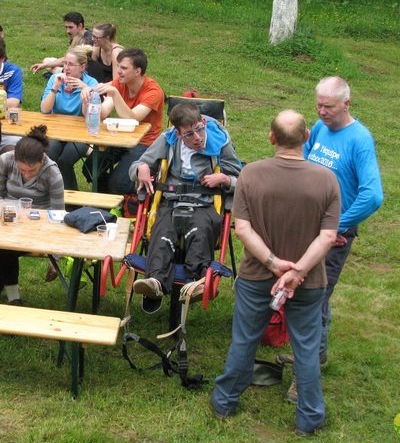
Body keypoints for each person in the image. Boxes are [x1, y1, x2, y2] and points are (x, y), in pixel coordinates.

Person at [211, 110, 341, 437]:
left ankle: (225, 402)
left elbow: (242, 229)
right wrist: (297, 271)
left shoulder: (251, 174)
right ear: (307, 137)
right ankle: (309, 418)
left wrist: (273, 263)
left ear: (271, 138)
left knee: (244, 340)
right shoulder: (327, 179)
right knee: (306, 349)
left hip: (257, 276)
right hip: (308, 281)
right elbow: (327, 236)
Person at [278, 76, 384, 402]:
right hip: (309, 227)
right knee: (310, 298)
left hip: (333, 235)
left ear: (347, 104)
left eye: (329, 106)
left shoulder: (359, 140)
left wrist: (337, 225)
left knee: (314, 300)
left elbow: (373, 195)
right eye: (319, 105)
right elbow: (304, 156)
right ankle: (315, 355)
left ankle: (304, 376)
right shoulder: (321, 128)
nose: (322, 112)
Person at [129, 102, 241, 313]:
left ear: (204, 122)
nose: (197, 137)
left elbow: (241, 177)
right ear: (178, 134)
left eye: (199, 129)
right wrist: (141, 168)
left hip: (205, 203)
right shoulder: (168, 140)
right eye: (189, 134)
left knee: (200, 230)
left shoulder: (219, 141)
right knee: (163, 230)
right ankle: (155, 282)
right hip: (171, 200)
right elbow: (137, 166)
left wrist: (225, 178)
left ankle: (196, 281)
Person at [0, 126, 65, 305]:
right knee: (0, 245)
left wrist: (56, 256)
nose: (26, 174)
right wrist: (3, 207)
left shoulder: (53, 174)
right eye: (22, 170)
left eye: (32, 170)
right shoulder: (6, 160)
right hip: (8, 220)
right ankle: (12, 298)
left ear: (42, 159)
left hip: (37, 227)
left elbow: (58, 215)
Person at [81, 48, 165, 195]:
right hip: (122, 138)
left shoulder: (153, 91)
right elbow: (102, 114)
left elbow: (132, 119)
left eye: (124, 68)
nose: (118, 71)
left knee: (118, 183)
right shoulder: (119, 84)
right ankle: (108, 199)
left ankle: (125, 196)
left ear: (138, 71)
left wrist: (114, 92)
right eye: (118, 66)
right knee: (90, 169)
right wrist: (87, 100)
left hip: (145, 143)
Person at [42, 45, 98, 191]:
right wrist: (55, 88)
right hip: (57, 130)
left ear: (82, 66)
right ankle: (52, 194)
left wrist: (85, 90)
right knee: (50, 155)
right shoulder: (56, 78)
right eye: (65, 63)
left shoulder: (91, 83)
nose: (66, 68)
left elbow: (89, 116)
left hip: (80, 133)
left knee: (65, 161)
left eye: (71, 64)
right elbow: (45, 109)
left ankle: (72, 201)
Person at [30, 12, 94, 76]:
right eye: (66, 27)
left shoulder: (89, 40)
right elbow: (66, 58)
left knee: (52, 67)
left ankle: (58, 73)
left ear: (80, 25)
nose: (68, 31)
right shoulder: (75, 36)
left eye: (70, 27)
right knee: (46, 60)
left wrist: (45, 66)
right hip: (71, 64)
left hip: (82, 70)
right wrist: (43, 66)